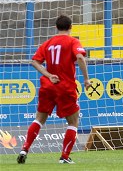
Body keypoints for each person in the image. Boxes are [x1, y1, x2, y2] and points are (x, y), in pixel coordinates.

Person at [17, 15, 91, 164]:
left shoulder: (48, 43)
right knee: (73, 122)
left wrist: (49, 75)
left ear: (56, 27)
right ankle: (64, 157)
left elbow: (34, 61)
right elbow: (81, 58)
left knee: (39, 119)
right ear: (71, 27)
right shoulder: (73, 41)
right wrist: (86, 79)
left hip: (48, 86)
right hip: (65, 87)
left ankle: (24, 149)